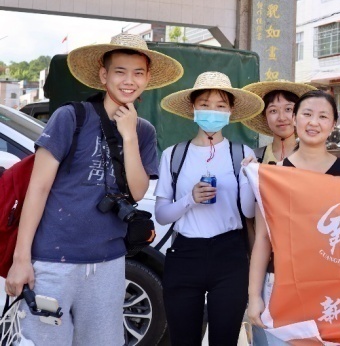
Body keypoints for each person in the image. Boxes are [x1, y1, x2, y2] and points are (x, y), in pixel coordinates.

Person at [4, 34, 183, 345]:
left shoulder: (143, 131)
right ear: (103, 75)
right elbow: (38, 188)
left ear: (147, 79)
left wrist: (129, 136)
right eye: (120, 71)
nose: (129, 81)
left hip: (109, 263)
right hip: (53, 260)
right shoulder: (71, 117)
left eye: (138, 73)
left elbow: (137, 192)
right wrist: (21, 259)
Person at [156, 72, 264, 346]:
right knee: (183, 340)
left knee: (225, 339)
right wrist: (189, 199)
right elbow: (162, 215)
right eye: (204, 104)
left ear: (230, 111)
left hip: (230, 254)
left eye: (220, 105)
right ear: (193, 108)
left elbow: (248, 212)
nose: (212, 111)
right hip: (185, 253)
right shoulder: (174, 154)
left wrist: (249, 177)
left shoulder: (242, 153)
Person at [248, 90, 340, 336]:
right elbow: (263, 239)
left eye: (323, 116)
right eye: (307, 114)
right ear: (295, 118)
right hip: (283, 288)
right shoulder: (272, 176)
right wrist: (254, 296)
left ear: (333, 123)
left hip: (336, 290)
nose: (314, 122)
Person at [242, 80, 316, 163]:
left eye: (288, 109)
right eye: (273, 111)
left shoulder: (315, 158)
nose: (281, 118)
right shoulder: (254, 157)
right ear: (265, 116)